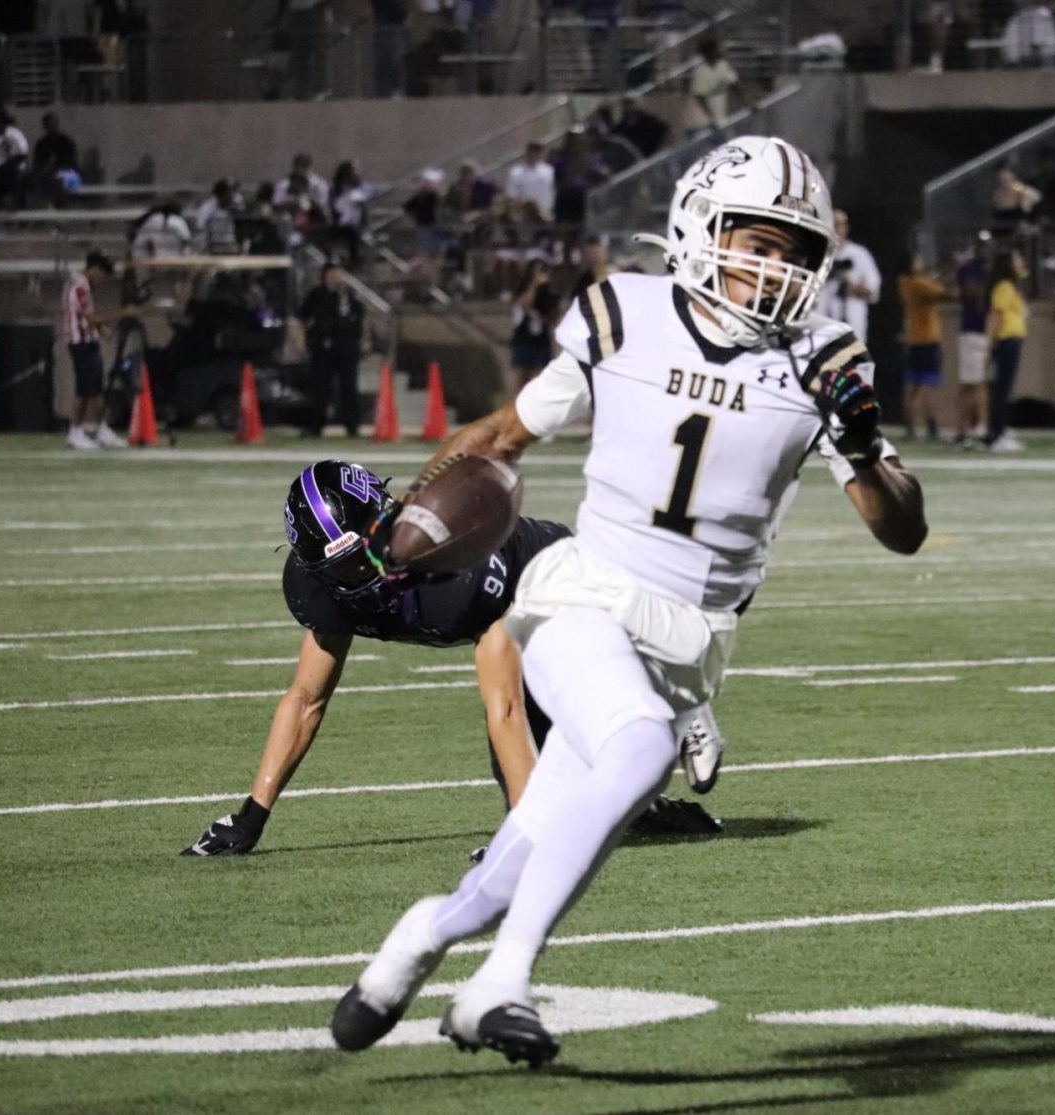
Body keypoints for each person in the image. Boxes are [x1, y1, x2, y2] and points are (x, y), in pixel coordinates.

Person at [330, 135, 928, 1065]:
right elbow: (504, 434)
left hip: (688, 644)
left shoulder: (824, 360)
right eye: (755, 241)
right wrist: (408, 517)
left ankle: (417, 939)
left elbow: (903, 528)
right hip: (586, 598)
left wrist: (861, 438)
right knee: (641, 749)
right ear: (700, 225)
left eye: (791, 251)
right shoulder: (624, 313)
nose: (771, 267)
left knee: (532, 845)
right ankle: (500, 984)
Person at [182, 461, 726, 856]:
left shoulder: (452, 572)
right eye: (344, 568)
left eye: (366, 553)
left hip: (552, 577)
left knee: (538, 711)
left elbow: (506, 708)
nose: (363, 573)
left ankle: (677, 703)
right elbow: (305, 699)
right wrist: (252, 817)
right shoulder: (320, 590)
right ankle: (636, 798)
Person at [62, 250, 129, 450]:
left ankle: (101, 429)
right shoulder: (80, 286)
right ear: (94, 269)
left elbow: (87, 317)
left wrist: (101, 328)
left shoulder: (80, 284)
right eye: (102, 275)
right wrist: (121, 314)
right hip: (80, 342)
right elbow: (90, 319)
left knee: (97, 388)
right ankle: (75, 431)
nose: (102, 280)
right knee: (84, 390)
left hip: (88, 340)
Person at [298, 263, 365, 437]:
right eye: (332, 274)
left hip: (346, 347)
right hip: (323, 347)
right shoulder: (316, 295)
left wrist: (363, 341)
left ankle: (352, 425)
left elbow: (360, 318)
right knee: (320, 386)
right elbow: (302, 319)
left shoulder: (348, 296)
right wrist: (302, 342)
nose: (336, 277)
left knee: (348, 386)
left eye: (338, 273)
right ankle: (316, 425)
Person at [898, 253, 949, 441]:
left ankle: (910, 426)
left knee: (913, 386)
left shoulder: (904, 283)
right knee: (929, 386)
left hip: (913, 339)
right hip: (927, 340)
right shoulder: (919, 283)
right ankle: (931, 426)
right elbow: (941, 292)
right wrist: (941, 277)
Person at [984, 247, 1029, 452]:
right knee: (1001, 389)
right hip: (1006, 341)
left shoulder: (1011, 286)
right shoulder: (1003, 286)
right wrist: (989, 343)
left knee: (1004, 388)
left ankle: (1000, 429)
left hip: (1012, 341)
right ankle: (996, 434)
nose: (1020, 262)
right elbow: (996, 315)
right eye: (1016, 259)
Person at [816, 209, 881, 343]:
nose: (838, 229)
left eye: (841, 224)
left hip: (853, 328)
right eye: (835, 224)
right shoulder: (820, 255)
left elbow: (873, 290)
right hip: (824, 328)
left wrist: (850, 284)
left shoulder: (859, 254)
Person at [954, 233, 991, 447]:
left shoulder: (987, 270)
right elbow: (970, 293)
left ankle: (980, 427)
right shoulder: (970, 269)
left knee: (981, 383)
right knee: (969, 383)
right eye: (982, 247)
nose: (985, 251)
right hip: (971, 331)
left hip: (984, 332)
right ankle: (963, 429)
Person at [509, 260, 559, 393]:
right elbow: (521, 304)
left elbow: (554, 319)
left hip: (541, 340)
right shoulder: (523, 291)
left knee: (539, 378)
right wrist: (534, 285)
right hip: (523, 339)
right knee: (521, 377)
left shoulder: (550, 294)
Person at [688, 37, 739, 135]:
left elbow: (735, 84)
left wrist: (747, 102)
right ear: (706, 53)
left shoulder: (722, 66)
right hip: (701, 123)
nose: (717, 52)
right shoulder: (700, 71)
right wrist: (712, 117)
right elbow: (700, 97)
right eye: (714, 50)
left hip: (720, 121)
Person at [505, 142, 555, 225]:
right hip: (522, 211)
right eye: (530, 153)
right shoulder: (516, 172)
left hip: (543, 211)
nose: (533, 156)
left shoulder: (548, 171)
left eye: (536, 153)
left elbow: (550, 192)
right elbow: (511, 193)